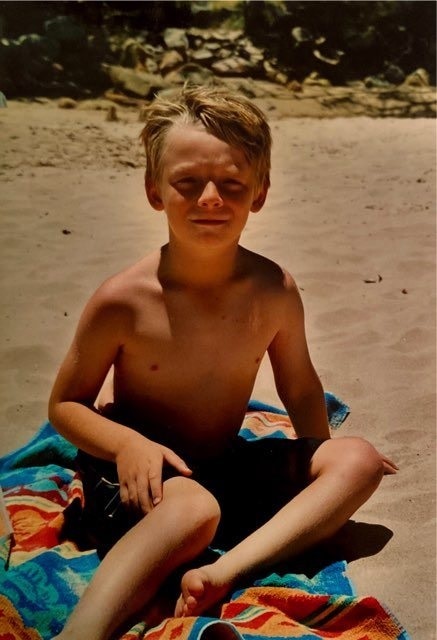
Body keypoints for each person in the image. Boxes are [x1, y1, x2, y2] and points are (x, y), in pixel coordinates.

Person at [49, 85, 397, 640]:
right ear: (154, 190)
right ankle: (81, 632)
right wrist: (126, 445)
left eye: (231, 184)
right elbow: (65, 405)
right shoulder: (125, 299)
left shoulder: (273, 290)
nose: (210, 198)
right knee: (194, 511)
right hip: (144, 475)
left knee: (358, 459)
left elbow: (302, 390)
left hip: (224, 463)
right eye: (187, 183)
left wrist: (322, 467)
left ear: (258, 193)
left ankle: (219, 573)